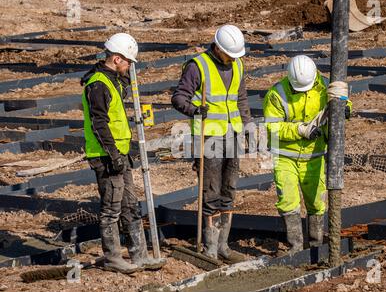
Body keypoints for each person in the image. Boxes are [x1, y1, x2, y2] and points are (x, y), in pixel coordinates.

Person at [81, 33, 165, 273]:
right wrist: (113, 156)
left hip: (121, 154)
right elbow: (100, 124)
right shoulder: (97, 84)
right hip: (106, 157)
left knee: (130, 204)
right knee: (111, 208)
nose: (130, 66)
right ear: (117, 59)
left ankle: (139, 255)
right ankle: (113, 258)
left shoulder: (112, 80)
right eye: (128, 61)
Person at [171, 24, 252, 263]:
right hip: (210, 138)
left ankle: (223, 245)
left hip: (233, 135)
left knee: (229, 189)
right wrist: (195, 110)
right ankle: (210, 247)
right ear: (217, 47)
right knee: (211, 191)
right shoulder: (198, 66)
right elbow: (178, 97)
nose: (232, 59)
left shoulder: (237, 63)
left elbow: (242, 98)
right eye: (228, 54)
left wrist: (247, 127)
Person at [263, 55, 352, 252]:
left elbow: (342, 99)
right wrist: (300, 130)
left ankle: (316, 245)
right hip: (285, 156)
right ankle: (295, 246)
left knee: (316, 202)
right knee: (288, 201)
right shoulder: (277, 94)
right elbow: (271, 127)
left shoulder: (324, 87)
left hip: (314, 156)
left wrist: (345, 108)